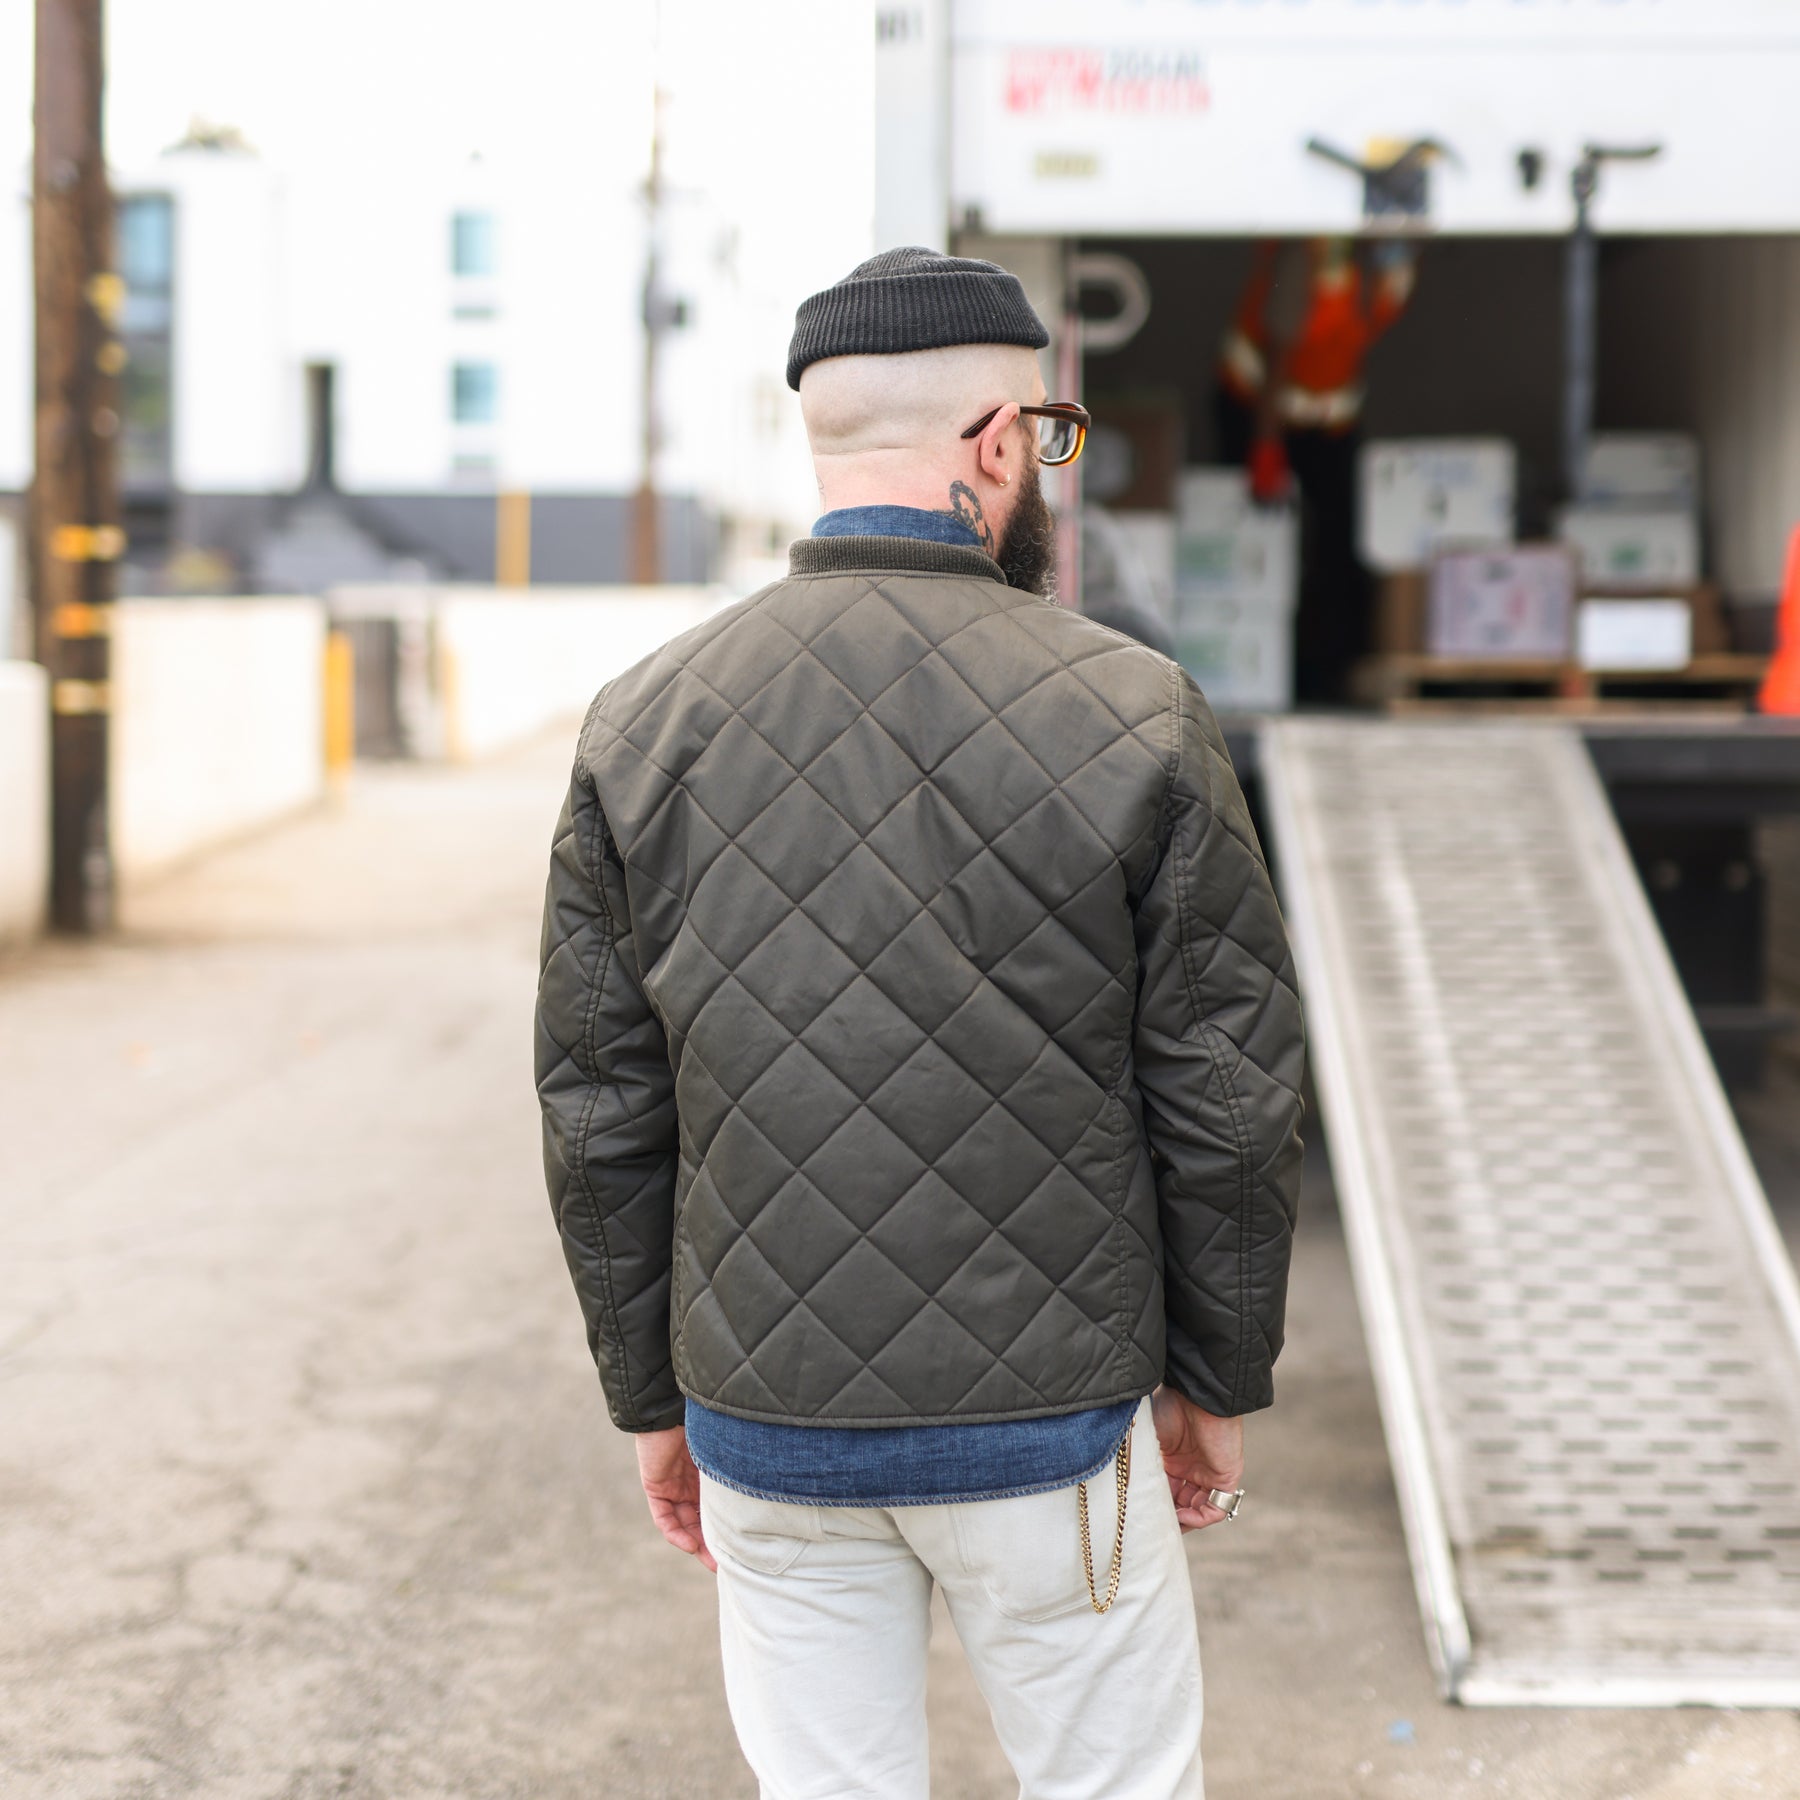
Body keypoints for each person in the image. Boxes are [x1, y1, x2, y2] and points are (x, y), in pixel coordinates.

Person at [535, 247, 1306, 1799]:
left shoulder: (645, 720)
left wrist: (649, 1400)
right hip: (1055, 1428)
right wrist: (1216, 1381)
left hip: (768, 1421)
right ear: (1000, 440)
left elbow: (601, 1103)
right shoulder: (1135, 709)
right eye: (1051, 440)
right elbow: (1227, 1093)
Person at [1215, 236, 1419, 701]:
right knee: (1265, 541)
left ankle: (1330, 671)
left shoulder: (1392, 266)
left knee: (1338, 543)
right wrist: (1266, 445)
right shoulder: (1311, 261)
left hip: (1328, 422)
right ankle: (1270, 672)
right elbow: (1278, 356)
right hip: (1258, 406)